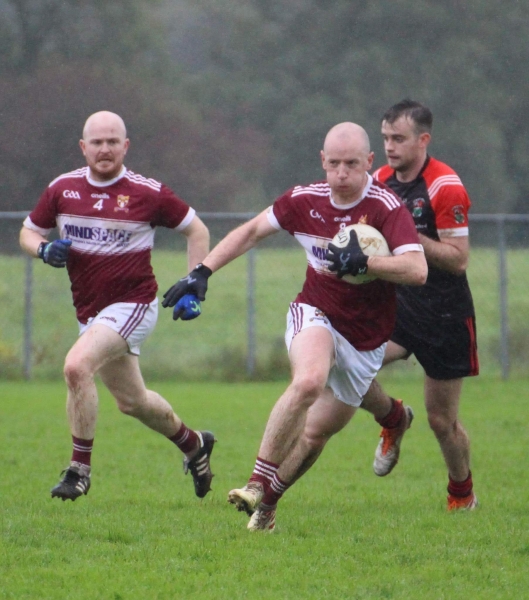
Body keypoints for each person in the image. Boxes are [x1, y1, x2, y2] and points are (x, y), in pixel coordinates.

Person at [162, 122, 427, 531]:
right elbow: (252, 231)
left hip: (366, 337)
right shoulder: (304, 200)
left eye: (352, 164)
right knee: (308, 381)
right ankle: (256, 483)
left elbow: (417, 269)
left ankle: (268, 505)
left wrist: (368, 263)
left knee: (315, 435)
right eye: (334, 163)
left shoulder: (386, 207)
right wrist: (202, 271)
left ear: (369, 162)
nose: (341, 173)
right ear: (322, 160)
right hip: (315, 312)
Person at [19, 111, 216, 502]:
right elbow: (28, 232)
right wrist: (43, 249)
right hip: (91, 313)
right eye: (97, 142)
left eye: (112, 142)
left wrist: (195, 285)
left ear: (126, 146)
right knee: (133, 402)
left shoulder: (147, 192)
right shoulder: (62, 189)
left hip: (134, 305)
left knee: (76, 366)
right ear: (83, 147)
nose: (105, 149)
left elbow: (197, 230)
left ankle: (79, 471)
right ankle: (195, 445)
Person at [361, 99, 479, 511]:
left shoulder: (445, 185)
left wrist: (410, 236)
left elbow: (458, 259)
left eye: (399, 138)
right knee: (345, 365)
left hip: (445, 314)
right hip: (397, 306)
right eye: (385, 138)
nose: (389, 147)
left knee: (441, 421)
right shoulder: (378, 180)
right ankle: (393, 418)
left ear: (423, 139)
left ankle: (461, 494)